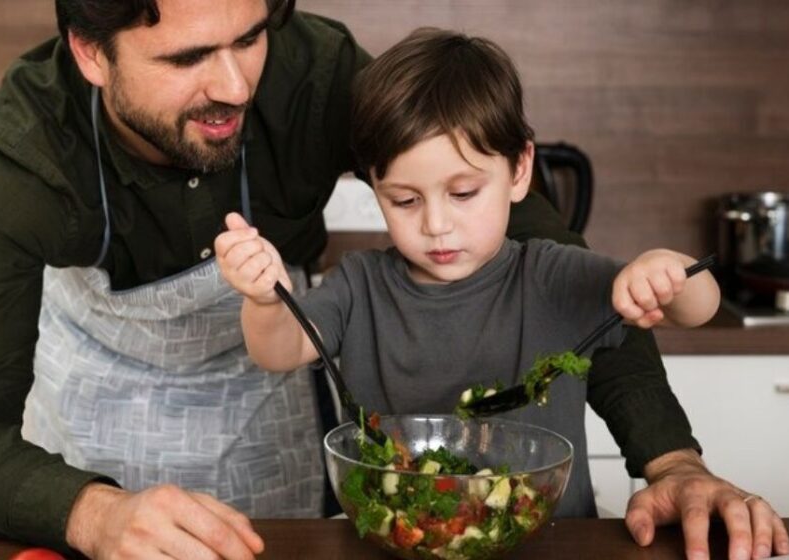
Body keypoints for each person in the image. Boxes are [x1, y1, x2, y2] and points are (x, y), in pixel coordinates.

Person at [0, 0, 782, 558]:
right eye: (190, 55)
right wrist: (94, 513)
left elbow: (575, 295)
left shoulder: (318, 72)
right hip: (95, 422)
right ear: (91, 52)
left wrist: (672, 462)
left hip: (270, 391)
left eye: (249, 37)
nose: (235, 84)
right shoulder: (24, 150)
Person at [216, 27, 789, 560]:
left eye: (463, 193)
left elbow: (698, 306)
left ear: (518, 171)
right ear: (374, 187)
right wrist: (266, 301)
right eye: (405, 201)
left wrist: (669, 272)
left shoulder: (554, 275)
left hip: (548, 541)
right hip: (394, 543)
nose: (436, 225)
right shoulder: (360, 283)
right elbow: (279, 350)